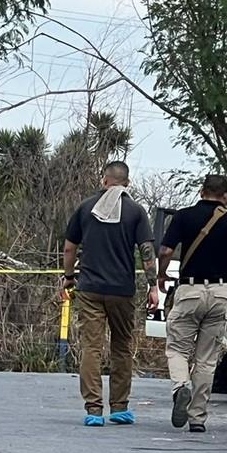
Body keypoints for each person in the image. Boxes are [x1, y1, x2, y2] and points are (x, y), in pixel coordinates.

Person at [61, 160, 159, 426]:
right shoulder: (136, 212)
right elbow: (147, 253)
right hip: (122, 290)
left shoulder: (85, 208)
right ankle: (119, 407)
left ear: (104, 181)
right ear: (127, 183)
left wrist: (69, 277)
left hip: (90, 289)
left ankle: (94, 410)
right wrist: (153, 286)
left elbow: (70, 248)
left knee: (91, 348)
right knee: (121, 346)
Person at [157, 173, 227, 433]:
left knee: (177, 348)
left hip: (189, 289)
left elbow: (165, 251)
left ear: (201, 191)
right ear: (226, 196)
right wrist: (225, 260)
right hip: (220, 291)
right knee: (206, 358)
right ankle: (197, 417)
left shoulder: (184, 216)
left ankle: (180, 386)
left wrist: (162, 274)